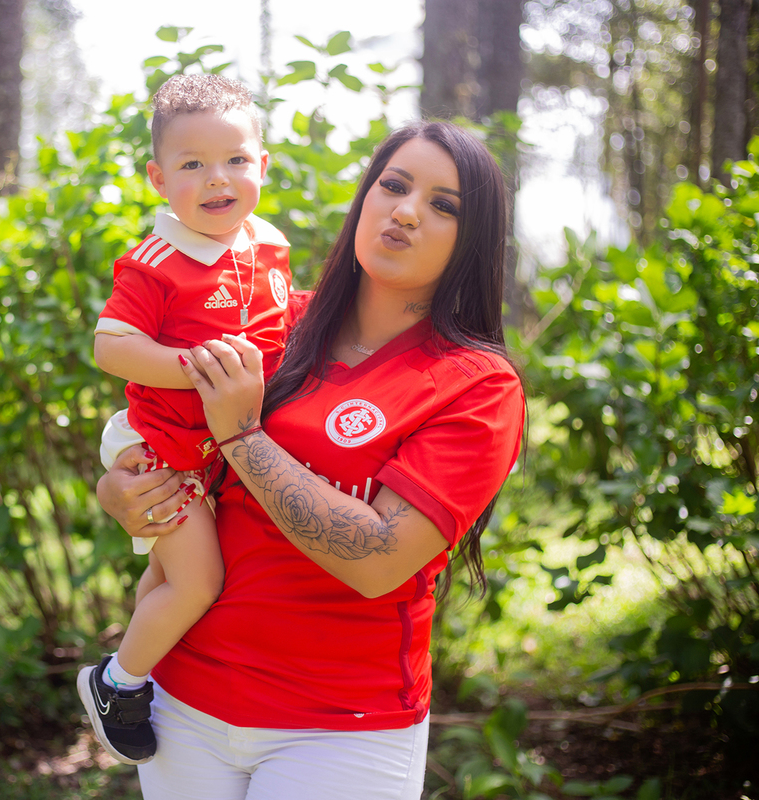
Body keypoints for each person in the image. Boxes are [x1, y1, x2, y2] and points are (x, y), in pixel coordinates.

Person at [96, 120, 525, 800]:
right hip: (183, 702)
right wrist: (123, 490)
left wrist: (243, 437)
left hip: (341, 727)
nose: (406, 211)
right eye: (393, 185)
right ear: (365, 198)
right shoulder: (272, 324)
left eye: (444, 205)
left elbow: (377, 560)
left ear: (472, 239)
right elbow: (163, 421)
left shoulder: (477, 387)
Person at [78, 73, 293, 766]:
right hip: (163, 449)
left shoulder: (267, 244)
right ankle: (117, 683)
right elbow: (110, 346)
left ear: (262, 165)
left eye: (235, 159)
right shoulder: (157, 262)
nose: (217, 178)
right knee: (200, 583)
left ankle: (139, 658)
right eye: (192, 164)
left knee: (173, 580)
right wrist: (196, 369)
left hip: (218, 448)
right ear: (158, 179)